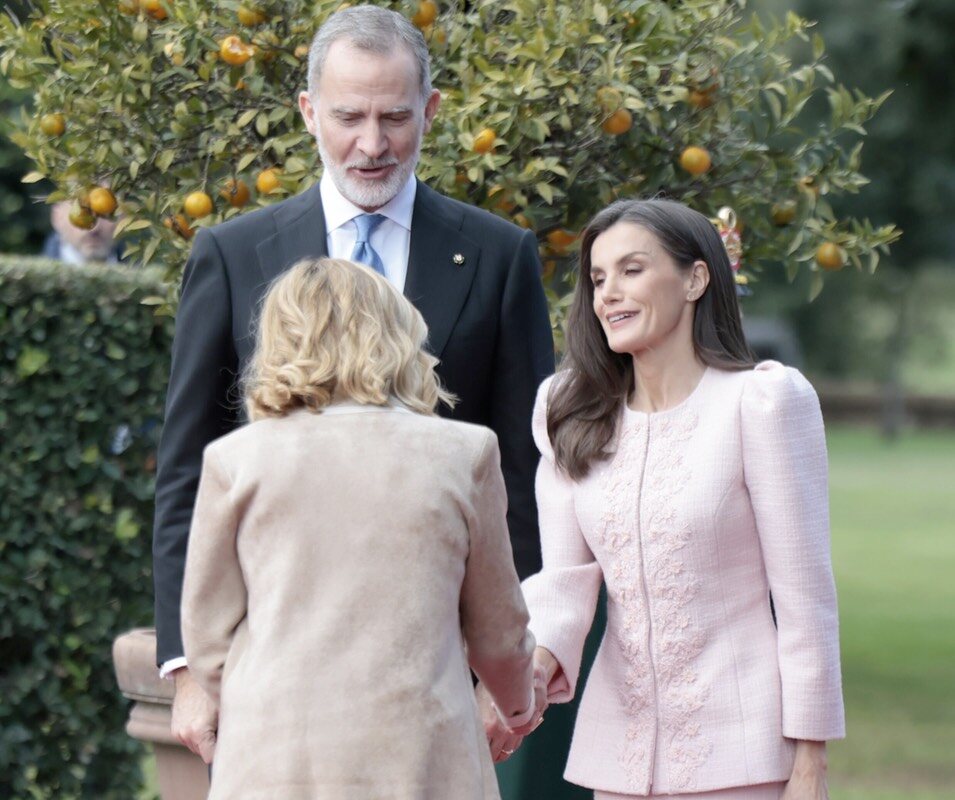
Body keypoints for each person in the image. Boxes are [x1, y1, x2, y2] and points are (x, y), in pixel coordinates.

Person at [153, 4, 554, 757]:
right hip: (269, 674)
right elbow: (187, 470)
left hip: (436, 677)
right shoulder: (232, 254)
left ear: (430, 112)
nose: (371, 145)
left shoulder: (499, 257)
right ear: (307, 112)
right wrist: (188, 669)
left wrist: (502, 673)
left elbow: (523, 478)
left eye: (395, 118)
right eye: (348, 117)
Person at [491, 199, 845, 798]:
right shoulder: (567, 412)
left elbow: (806, 599)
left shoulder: (761, 404)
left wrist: (809, 765)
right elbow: (565, 580)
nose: (608, 294)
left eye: (632, 270)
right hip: (618, 762)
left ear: (696, 278)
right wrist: (534, 671)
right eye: (598, 278)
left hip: (745, 757)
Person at [180, 256, 544, 798]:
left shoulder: (236, 460)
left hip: (274, 755)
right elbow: (497, 629)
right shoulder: (463, 453)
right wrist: (516, 703)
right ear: (398, 337)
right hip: (421, 752)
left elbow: (207, 638)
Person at [42, 200, 121, 264]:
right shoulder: (33, 282)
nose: (94, 229)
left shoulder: (133, 276)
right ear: (57, 217)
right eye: (82, 214)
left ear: (123, 217)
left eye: (104, 215)